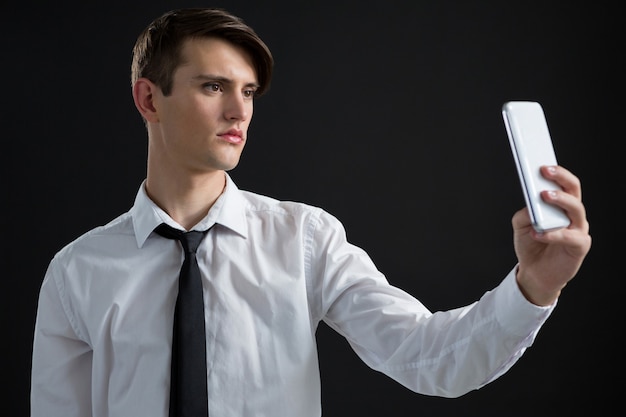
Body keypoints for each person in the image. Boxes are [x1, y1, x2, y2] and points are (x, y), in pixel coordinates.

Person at [30, 7, 591, 417]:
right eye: (213, 86)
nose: (238, 111)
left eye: (248, 92)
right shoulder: (77, 272)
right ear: (150, 99)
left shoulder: (306, 239)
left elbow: (429, 357)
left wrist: (532, 287)